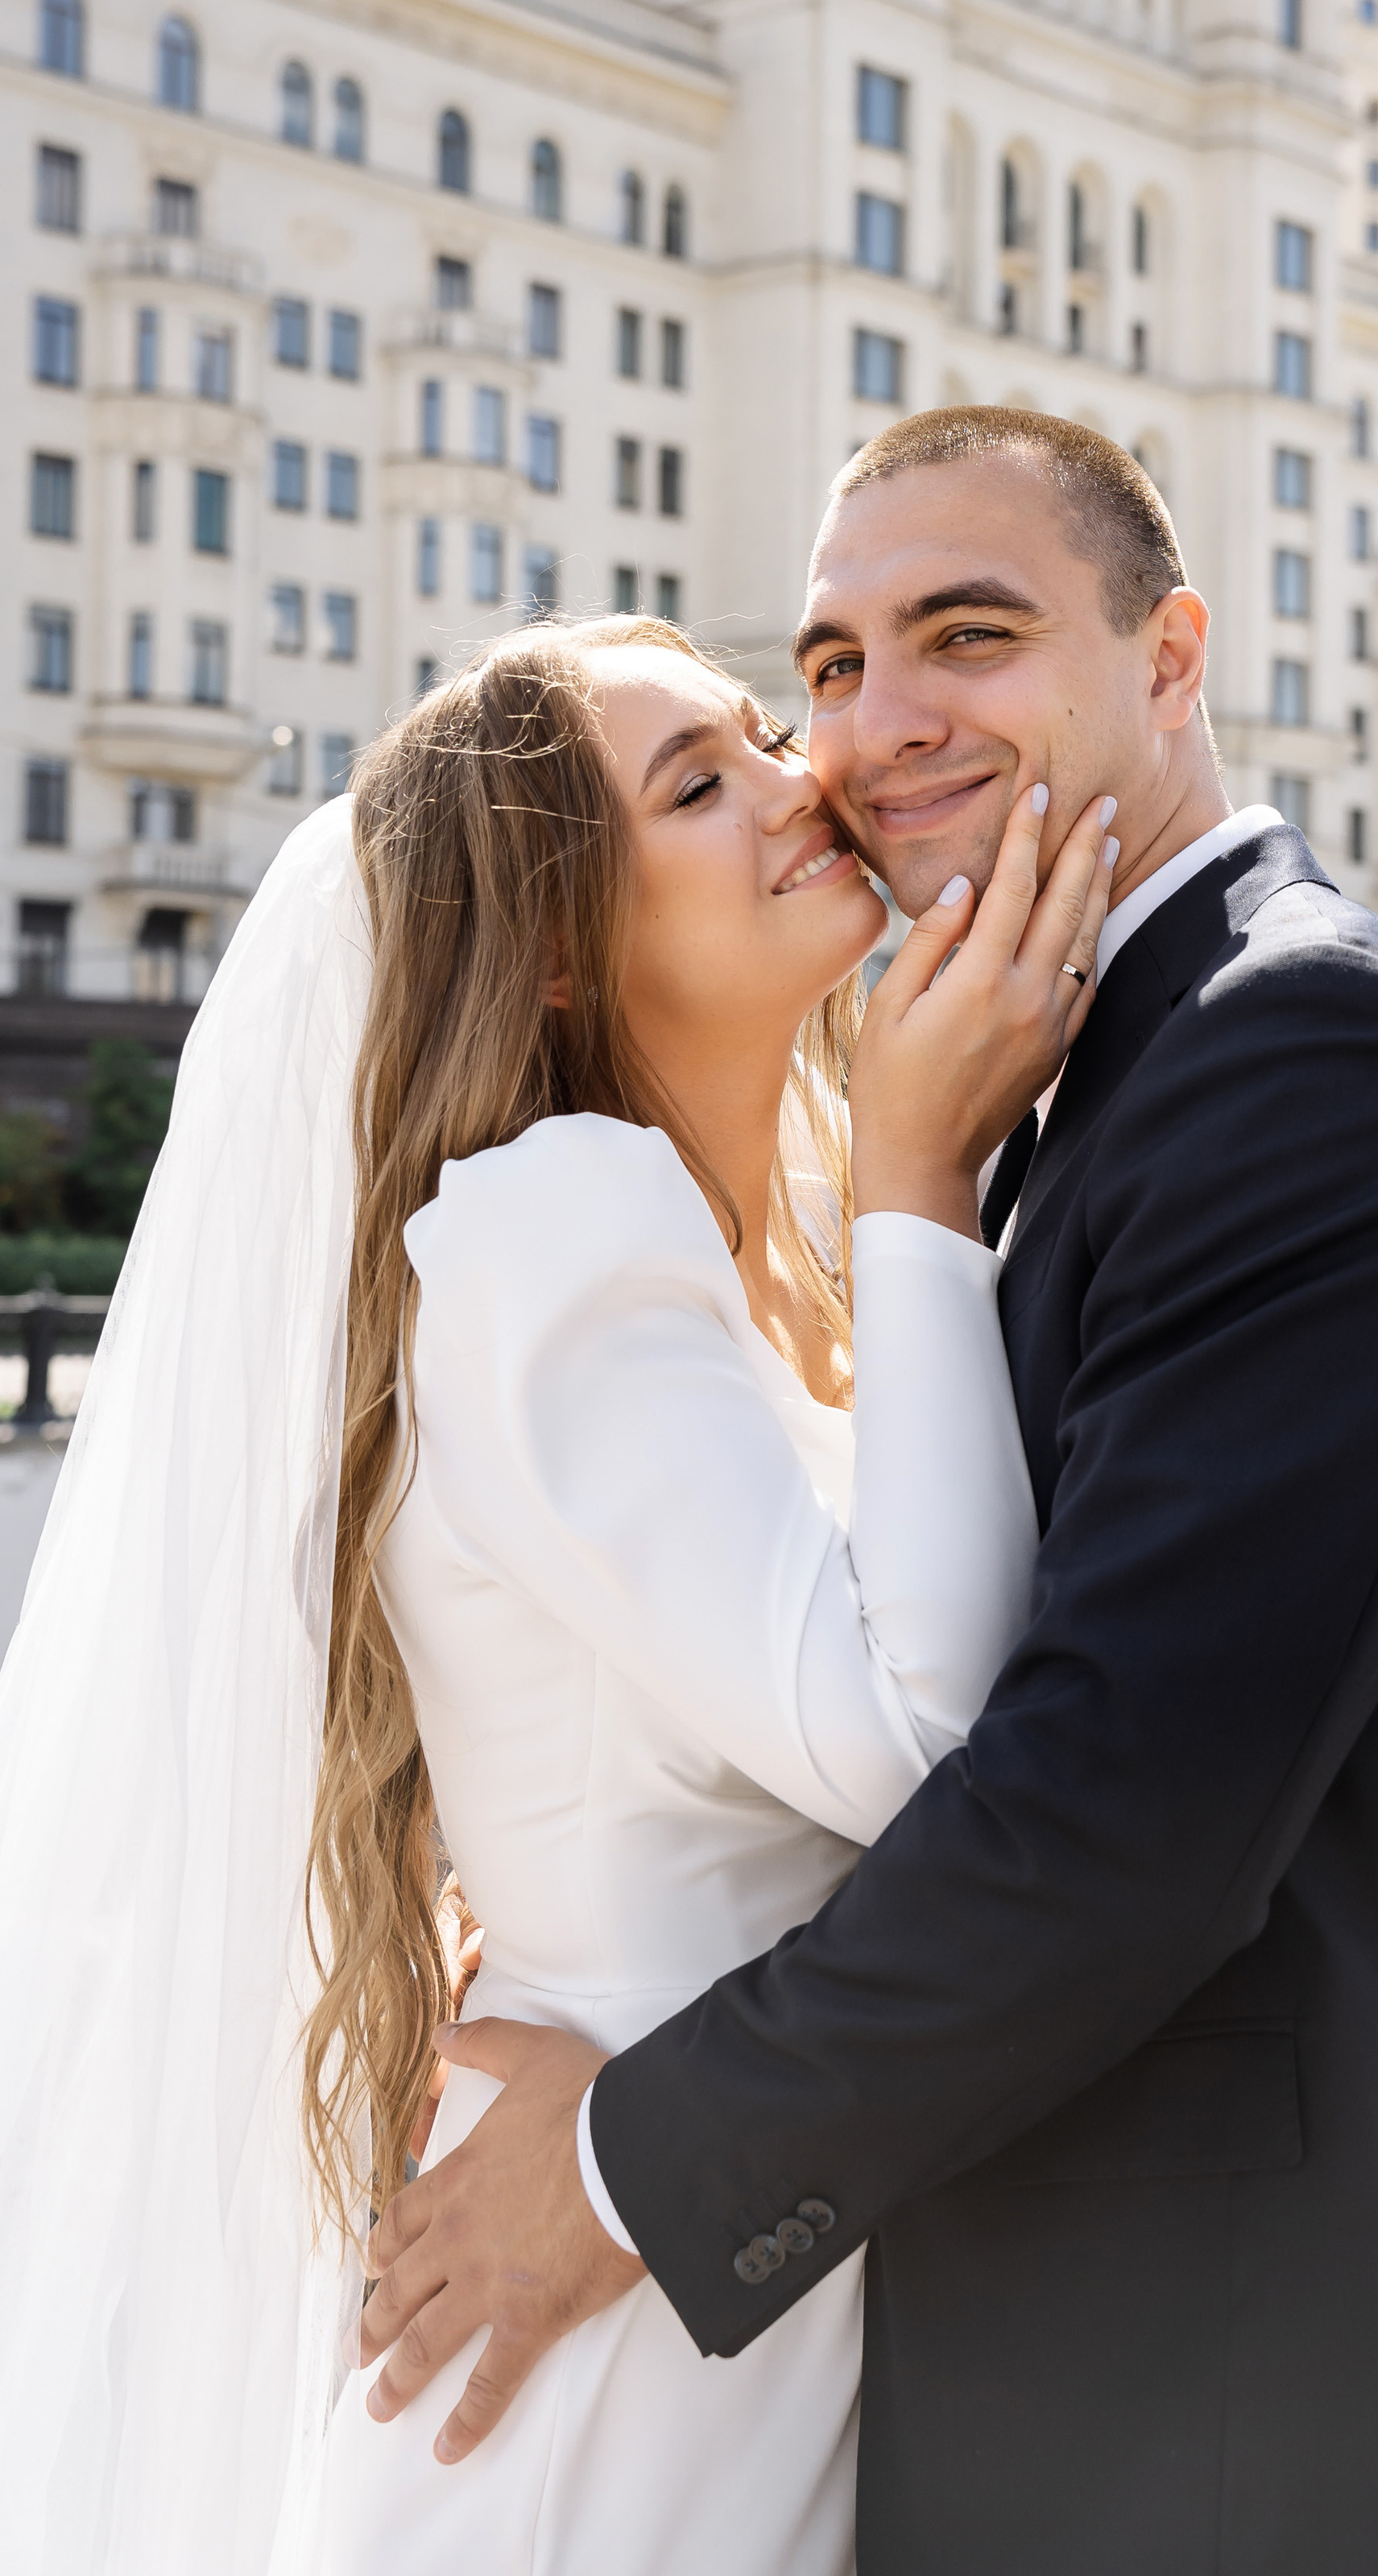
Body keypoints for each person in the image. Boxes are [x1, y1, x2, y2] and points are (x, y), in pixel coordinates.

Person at [359, 416, 1378, 2574]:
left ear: (1171, 658)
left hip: (1260, 2428)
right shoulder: (1093, 1071)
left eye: (969, 635)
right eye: (832, 666)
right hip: (1073, 2394)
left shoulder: (1301, 1060)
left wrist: (624, 2162)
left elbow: (1109, 1819)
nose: (870, 728)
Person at [0, 613, 1117, 2576]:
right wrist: (923, 1176)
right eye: (696, 785)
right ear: (552, 950)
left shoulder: (744, 1247)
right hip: (609, 2339)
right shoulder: (554, 1228)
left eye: (758, 734)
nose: (798, 781)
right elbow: (929, 1747)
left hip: (726, 2258)